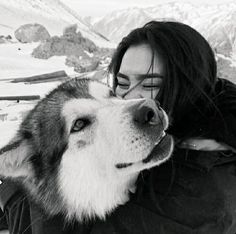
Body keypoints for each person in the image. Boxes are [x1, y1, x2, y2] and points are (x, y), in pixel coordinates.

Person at [1, 20, 236, 234]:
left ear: (190, 85)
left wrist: (10, 195)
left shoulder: (198, 190)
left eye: (151, 83)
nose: (132, 99)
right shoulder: (186, 134)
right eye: (120, 85)